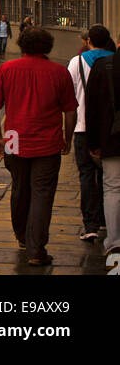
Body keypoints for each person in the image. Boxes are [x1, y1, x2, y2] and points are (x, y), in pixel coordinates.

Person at [0, 26, 77, 266]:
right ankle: (37, 249)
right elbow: (70, 110)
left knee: (19, 187)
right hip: (48, 141)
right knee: (42, 193)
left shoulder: (7, 69)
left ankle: (22, 236)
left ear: (22, 45)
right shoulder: (59, 72)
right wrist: (69, 138)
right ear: (47, 46)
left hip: (14, 139)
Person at [67, 24, 116, 242]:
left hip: (82, 127)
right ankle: (108, 219)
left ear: (88, 41)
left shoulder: (76, 62)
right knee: (109, 177)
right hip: (110, 129)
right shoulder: (114, 61)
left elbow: (68, 96)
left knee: (86, 175)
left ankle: (90, 224)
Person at [85, 33, 120, 263]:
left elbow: (92, 107)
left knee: (112, 188)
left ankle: (114, 242)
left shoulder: (103, 65)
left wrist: (93, 143)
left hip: (112, 137)